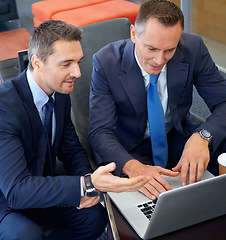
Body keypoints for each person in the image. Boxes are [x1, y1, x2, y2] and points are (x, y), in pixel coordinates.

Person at [0, 20, 149, 240]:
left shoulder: (58, 93)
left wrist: (87, 188)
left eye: (78, 62)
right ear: (37, 62)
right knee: (26, 236)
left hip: (43, 191)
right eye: (66, 64)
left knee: (94, 217)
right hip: (7, 201)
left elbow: (71, 149)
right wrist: (86, 183)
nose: (78, 72)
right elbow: (16, 191)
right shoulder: (4, 106)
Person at [89, 0, 226, 201]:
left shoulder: (193, 48)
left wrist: (203, 136)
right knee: (153, 205)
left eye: (169, 50)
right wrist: (132, 166)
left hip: (177, 133)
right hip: (130, 147)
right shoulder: (106, 62)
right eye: (151, 48)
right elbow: (99, 132)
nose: (159, 60)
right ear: (134, 34)